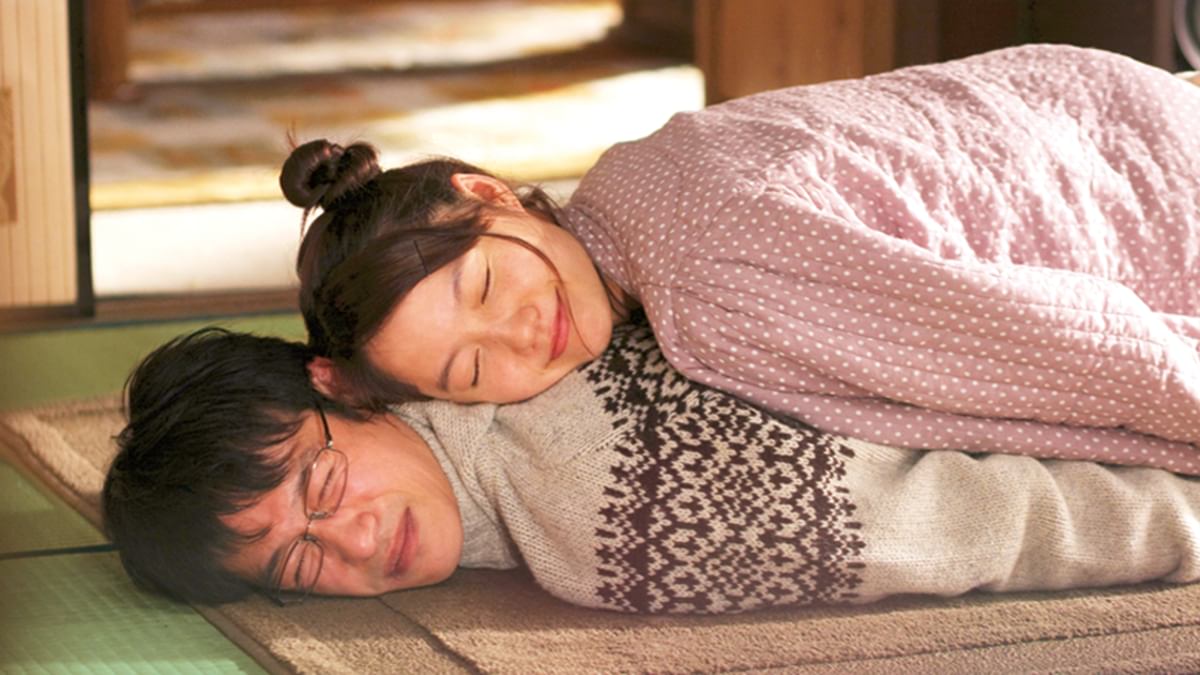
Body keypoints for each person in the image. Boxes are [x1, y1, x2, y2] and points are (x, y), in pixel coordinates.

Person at [286, 44, 1200, 476]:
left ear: (489, 193)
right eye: (473, 371)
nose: (520, 332)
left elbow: (1076, 346)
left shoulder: (710, 295)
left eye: (484, 284)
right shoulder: (627, 174)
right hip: (1105, 94)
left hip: (1162, 198)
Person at [104, 321, 1200, 611]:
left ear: (341, 386)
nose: (351, 541)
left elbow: (984, 522)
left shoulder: (599, 519)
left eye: (322, 487)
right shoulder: (480, 351)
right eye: (300, 567)